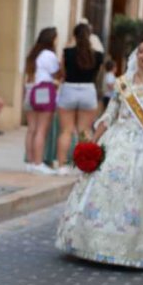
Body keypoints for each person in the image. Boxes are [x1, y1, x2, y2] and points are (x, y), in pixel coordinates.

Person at [56, 39, 143, 268]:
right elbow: (110, 114)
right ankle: (93, 244)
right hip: (117, 140)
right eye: (141, 51)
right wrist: (93, 141)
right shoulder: (123, 83)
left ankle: (137, 249)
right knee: (103, 188)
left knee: (140, 190)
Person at [55, 23, 104, 175]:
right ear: (90, 36)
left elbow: (62, 72)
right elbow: (98, 74)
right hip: (88, 90)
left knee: (66, 131)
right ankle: (86, 166)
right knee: (84, 131)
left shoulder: (67, 52)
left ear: (74, 36)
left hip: (69, 89)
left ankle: (62, 166)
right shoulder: (98, 55)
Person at [23, 28, 60, 175]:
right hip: (43, 91)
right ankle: (39, 162)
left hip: (30, 90)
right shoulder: (49, 55)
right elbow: (55, 71)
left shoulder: (33, 54)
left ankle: (31, 162)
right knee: (41, 129)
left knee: (31, 128)